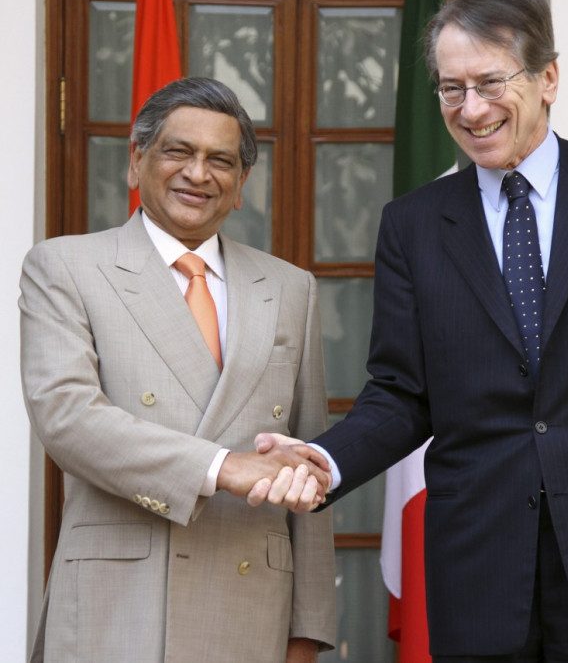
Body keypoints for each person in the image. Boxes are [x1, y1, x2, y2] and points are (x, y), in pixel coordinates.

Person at [253, 0, 568, 662]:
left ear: (548, 78)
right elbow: (400, 393)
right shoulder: (412, 225)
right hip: (479, 570)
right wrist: (326, 460)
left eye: (489, 82)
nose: (470, 109)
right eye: (451, 88)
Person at [20, 77, 335, 663]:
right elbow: (68, 420)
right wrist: (223, 467)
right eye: (178, 152)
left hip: (253, 610)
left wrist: (308, 629)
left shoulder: (292, 288)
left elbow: (308, 463)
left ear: (241, 186)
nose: (198, 173)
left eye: (220, 160)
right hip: (119, 607)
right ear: (137, 162)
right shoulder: (65, 266)